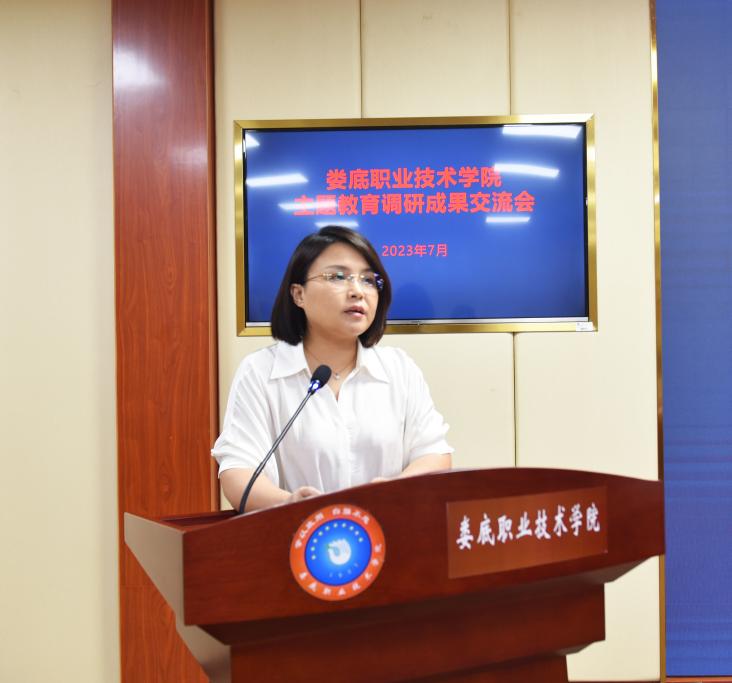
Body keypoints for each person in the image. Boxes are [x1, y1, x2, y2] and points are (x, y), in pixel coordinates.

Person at [212, 226, 453, 512]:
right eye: (338, 276)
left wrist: (393, 491)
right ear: (298, 294)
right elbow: (238, 471)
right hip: (296, 532)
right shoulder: (261, 372)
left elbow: (434, 453)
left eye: (368, 280)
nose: (357, 291)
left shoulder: (399, 369)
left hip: (388, 530)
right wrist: (288, 504)